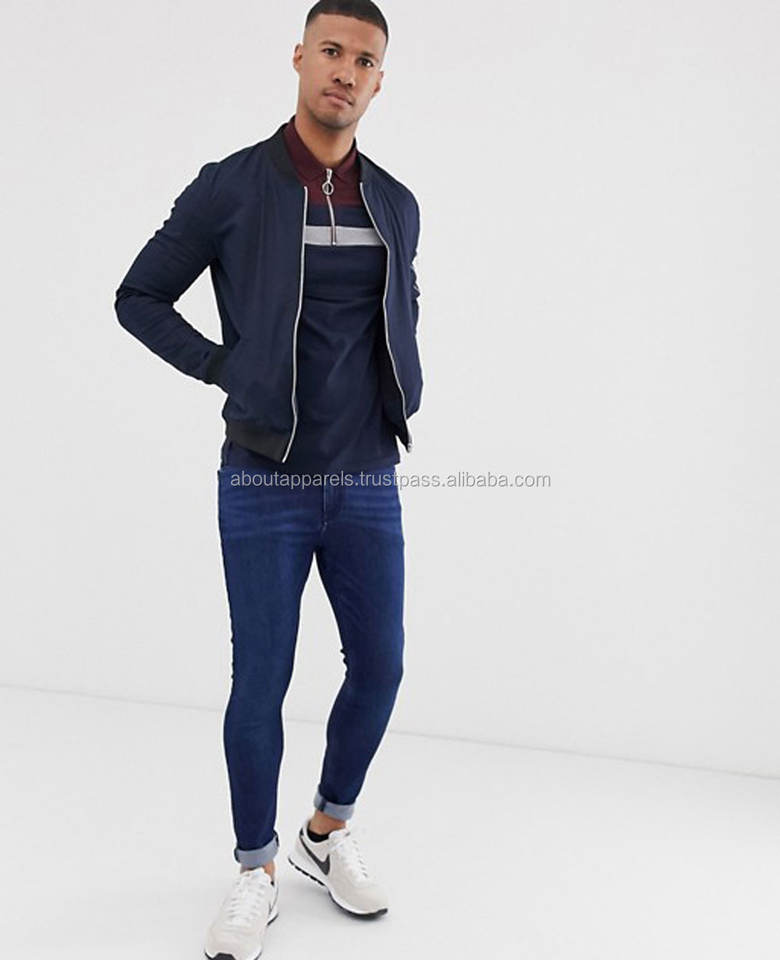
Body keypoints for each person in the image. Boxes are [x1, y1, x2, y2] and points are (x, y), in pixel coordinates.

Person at [113, 1, 423, 956]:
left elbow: (398, 311)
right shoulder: (233, 186)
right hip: (263, 480)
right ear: (299, 58)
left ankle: (325, 832)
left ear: (379, 81)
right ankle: (255, 868)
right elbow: (138, 296)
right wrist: (224, 367)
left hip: (366, 477)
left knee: (381, 664)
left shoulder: (395, 201)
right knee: (263, 678)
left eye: (363, 60)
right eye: (331, 50)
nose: (345, 71)